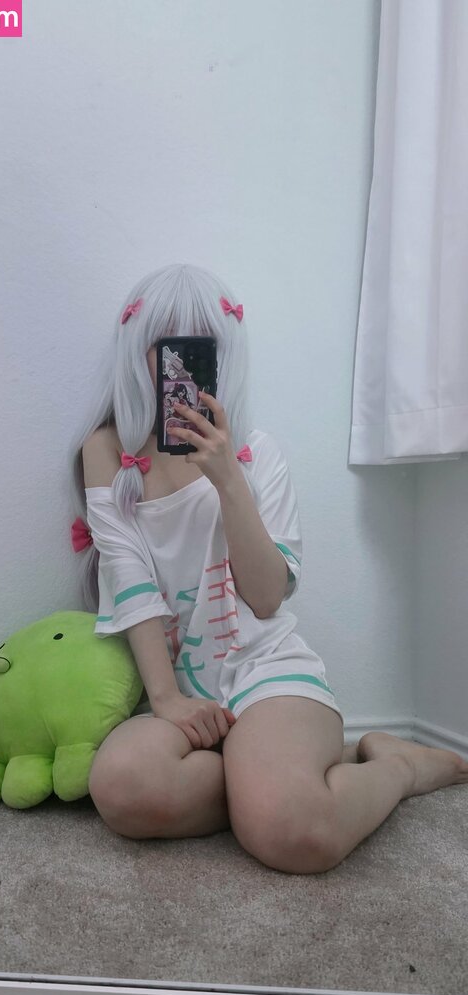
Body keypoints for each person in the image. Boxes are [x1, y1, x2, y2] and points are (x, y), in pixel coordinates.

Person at [68, 263, 468, 875]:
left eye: (199, 349)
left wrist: (228, 479)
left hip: (265, 671)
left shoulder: (258, 454)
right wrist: (167, 698)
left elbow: (265, 598)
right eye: (166, 346)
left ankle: (397, 766)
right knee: (122, 787)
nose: (180, 369)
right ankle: (271, 778)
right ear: (137, 350)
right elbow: (129, 580)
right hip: (183, 690)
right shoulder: (107, 451)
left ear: (221, 356)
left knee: (295, 835)